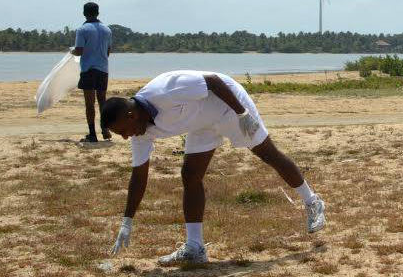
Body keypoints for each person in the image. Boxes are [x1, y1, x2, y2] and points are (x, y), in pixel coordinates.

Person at [101, 70, 326, 265]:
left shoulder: (164, 90)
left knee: (268, 154)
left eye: (122, 131)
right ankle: (195, 248)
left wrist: (243, 114)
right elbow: (139, 176)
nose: (124, 137)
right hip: (201, 123)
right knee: (190, 175)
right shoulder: (140, 132)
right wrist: (127, 221)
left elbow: (213, 81)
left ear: (131, 115)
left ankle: (313, 201)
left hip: (229, 106)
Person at [72, 2, 112, 143]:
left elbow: (79, 51)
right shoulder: (107, 30)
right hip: (103, 70)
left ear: (84, 13)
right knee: (102, 101)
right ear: (98, 13)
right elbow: (107, 53)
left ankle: (92, 135)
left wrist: (72, 51)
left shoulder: (82, 29)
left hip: (88, 70)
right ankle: (105, 129)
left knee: (90, 104)